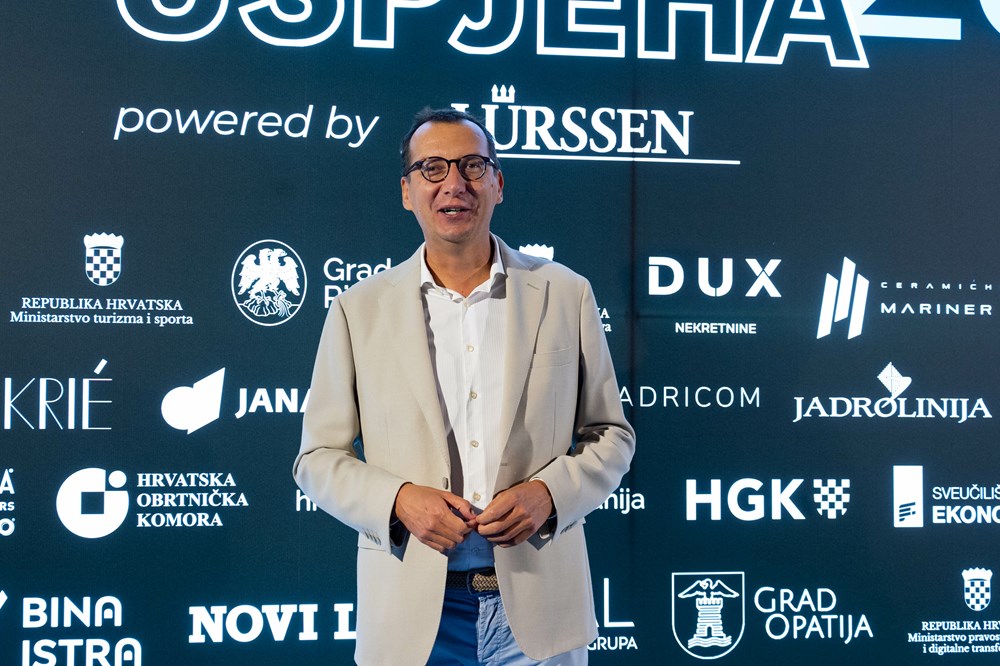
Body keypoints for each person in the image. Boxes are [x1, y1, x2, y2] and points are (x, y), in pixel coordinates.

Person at [294, 108, 635, 665]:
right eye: (432, 168)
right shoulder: (358, 310)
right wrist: (399, 500)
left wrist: (550, 494)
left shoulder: (564, 293)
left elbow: (611, 435)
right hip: (412, 615)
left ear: (498, 183)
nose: (454, 183)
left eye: (472, 165)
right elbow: (317, 459)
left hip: (537, 608)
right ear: (407, 192)